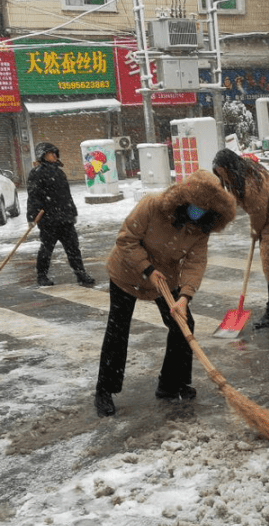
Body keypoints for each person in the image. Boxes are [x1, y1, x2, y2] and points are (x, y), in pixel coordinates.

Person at [93, 170, 236, 417]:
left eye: (204, 209)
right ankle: (104, 390)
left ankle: (171, 384)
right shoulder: (152, 206)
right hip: (127, 272)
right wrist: (147, 269)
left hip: (165, 278)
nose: (197, 212)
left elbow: (195, 263)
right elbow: (126, 240)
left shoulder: (202, 227)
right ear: (184, 199)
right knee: (118, 329)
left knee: (183, 323)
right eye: (195, 206)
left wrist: (184, 297)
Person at [211, 148, 269, 330]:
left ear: (230, 168)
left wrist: (255, 231)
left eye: (223, 173)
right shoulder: (242, 174)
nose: (224, 179)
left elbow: (258, 212)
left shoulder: (250, 181)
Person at [26, 142, 95, 288]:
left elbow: (67, 196)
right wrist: (32, 217)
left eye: (55, 153)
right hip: (48, 220)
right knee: (46, 249)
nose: (55, 156)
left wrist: (72, 211)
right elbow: (33, 197)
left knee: (73, 248)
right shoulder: (37, 173)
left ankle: (80, 273)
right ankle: (42, 275)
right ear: (43, 156)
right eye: (52, 153)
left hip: (65, 219)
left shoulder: (59, 172)